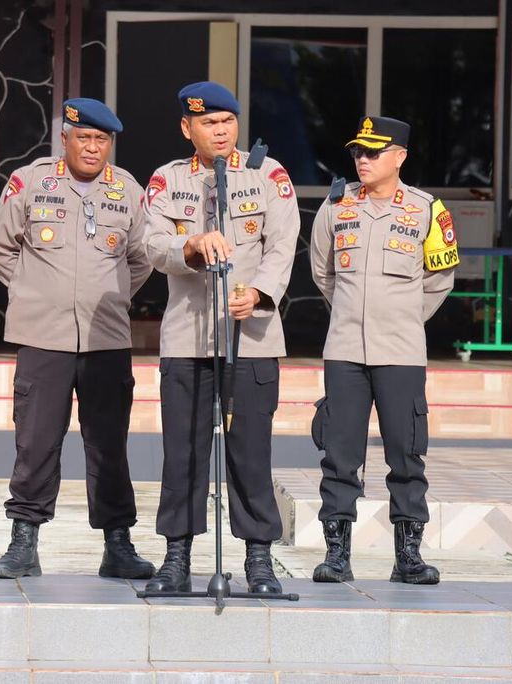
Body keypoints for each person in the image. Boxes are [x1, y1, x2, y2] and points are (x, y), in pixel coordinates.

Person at [141, 82, 301, 594]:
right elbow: (151, 244)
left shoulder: (267, 176)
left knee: (251, 452)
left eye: (227, 121)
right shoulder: (167, 180)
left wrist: (258, 292)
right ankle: (177, 558)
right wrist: (190, 244)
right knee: (182, 453)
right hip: (188, 338)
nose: (220, 131)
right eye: (208, 123)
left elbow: (283, 245)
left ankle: (258, 559)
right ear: (187, 129)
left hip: (250, 339)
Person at [0, 98, 155, 580]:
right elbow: (1, 248)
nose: (93, 147)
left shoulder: (127, 190)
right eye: (85, 138)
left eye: (102, 140)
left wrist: (112, 294)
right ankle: (24, 541)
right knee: (35, 443)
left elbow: (140, 259)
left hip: (106, 339)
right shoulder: (30, 181)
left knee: (109, 445)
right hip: (42, 336)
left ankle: (118, 544)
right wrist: (35, 292)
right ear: (66, 137)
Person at [309, 115, 459, 585]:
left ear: (400, 157)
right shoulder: (336, 206)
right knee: (339, 454)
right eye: (358, 151)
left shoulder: (428, 209)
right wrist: (354, 314)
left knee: (406, 454)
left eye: (374, 152)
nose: (363, 159)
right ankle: (337, 555)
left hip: (402, 352)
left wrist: (403, 319)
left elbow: (440, 278)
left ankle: (408, 556)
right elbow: (323, 272)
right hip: (345, 350)